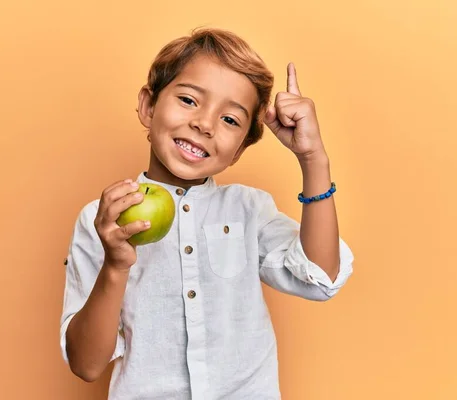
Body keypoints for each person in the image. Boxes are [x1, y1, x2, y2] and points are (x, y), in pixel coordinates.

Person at [59, 27, 355, 399]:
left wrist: (313, 158)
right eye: (188, 100)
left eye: (230, 119)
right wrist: (116, 266)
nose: (205, 124)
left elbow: (320, 277)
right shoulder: (101, 220)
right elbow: (86, 365)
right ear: (149, 107)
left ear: (239, 151)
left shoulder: (250, 211)